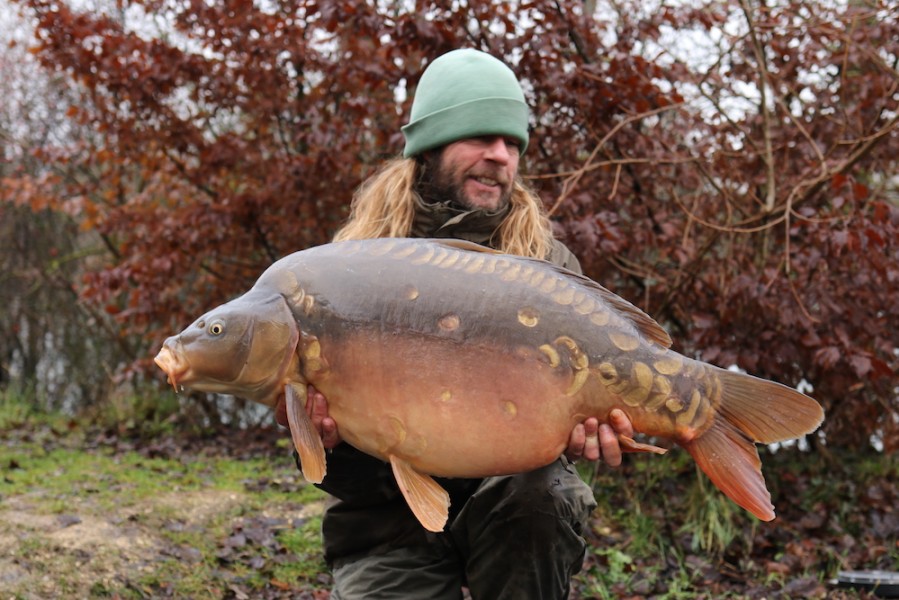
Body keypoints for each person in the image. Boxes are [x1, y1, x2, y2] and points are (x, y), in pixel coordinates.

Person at [276, 48, 635, 599]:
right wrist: (322, 440)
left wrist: (589, 433)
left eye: (513, 143)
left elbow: (560, 433)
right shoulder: (348, 270)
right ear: (430, 146)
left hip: (515, 511)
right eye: (481, 137)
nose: (501, 156)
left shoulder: (549, 267)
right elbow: (342, 483)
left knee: (540, 495)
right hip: (387, 526)